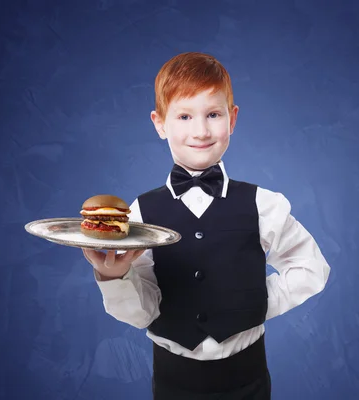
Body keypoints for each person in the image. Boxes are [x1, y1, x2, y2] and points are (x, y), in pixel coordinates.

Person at [82, 52, 331, 399]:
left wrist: (257, 301)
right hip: (172, 381)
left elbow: (311, 267)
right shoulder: (140, 213)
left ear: (232, 119)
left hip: (248, 379)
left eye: (213, 114)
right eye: (184, 116)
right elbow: (142, 313)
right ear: (160, 123)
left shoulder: (264, 204)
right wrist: (114, 277)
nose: (200, 131)